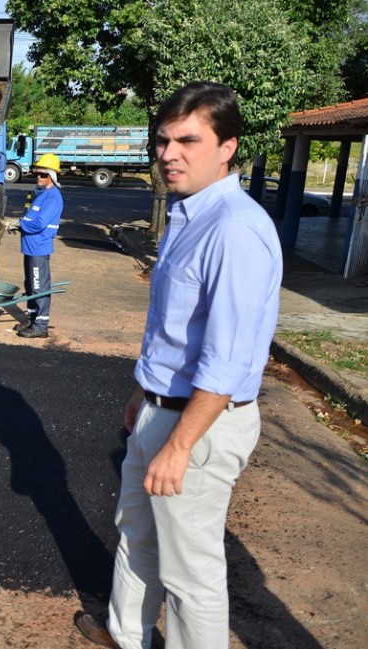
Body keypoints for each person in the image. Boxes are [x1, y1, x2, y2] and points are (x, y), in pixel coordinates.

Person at [74, 82, 282, 649]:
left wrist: (180, 443)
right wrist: (146, 392)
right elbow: (176, 330)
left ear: (227, 147)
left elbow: (228, 357)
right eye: (163, 140)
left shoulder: (234, 229)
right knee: (136, 533)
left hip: (201, 424)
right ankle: (127, 633)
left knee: (191, 572)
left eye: (188, 140)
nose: (169, 153)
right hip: (162, 408)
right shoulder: (190, 217)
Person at [14, 153, 63, 339]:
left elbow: (39, 223)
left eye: (43, 174)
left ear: (51, 176)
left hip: (39, 248)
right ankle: (32, 321)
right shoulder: (42, 195)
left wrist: (20, 224)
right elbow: (31, 218)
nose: (38, 177)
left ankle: (40, 326)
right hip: (30, 247)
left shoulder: (52, 197)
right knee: (31, 285)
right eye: (37, 174)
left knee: (38, 286)